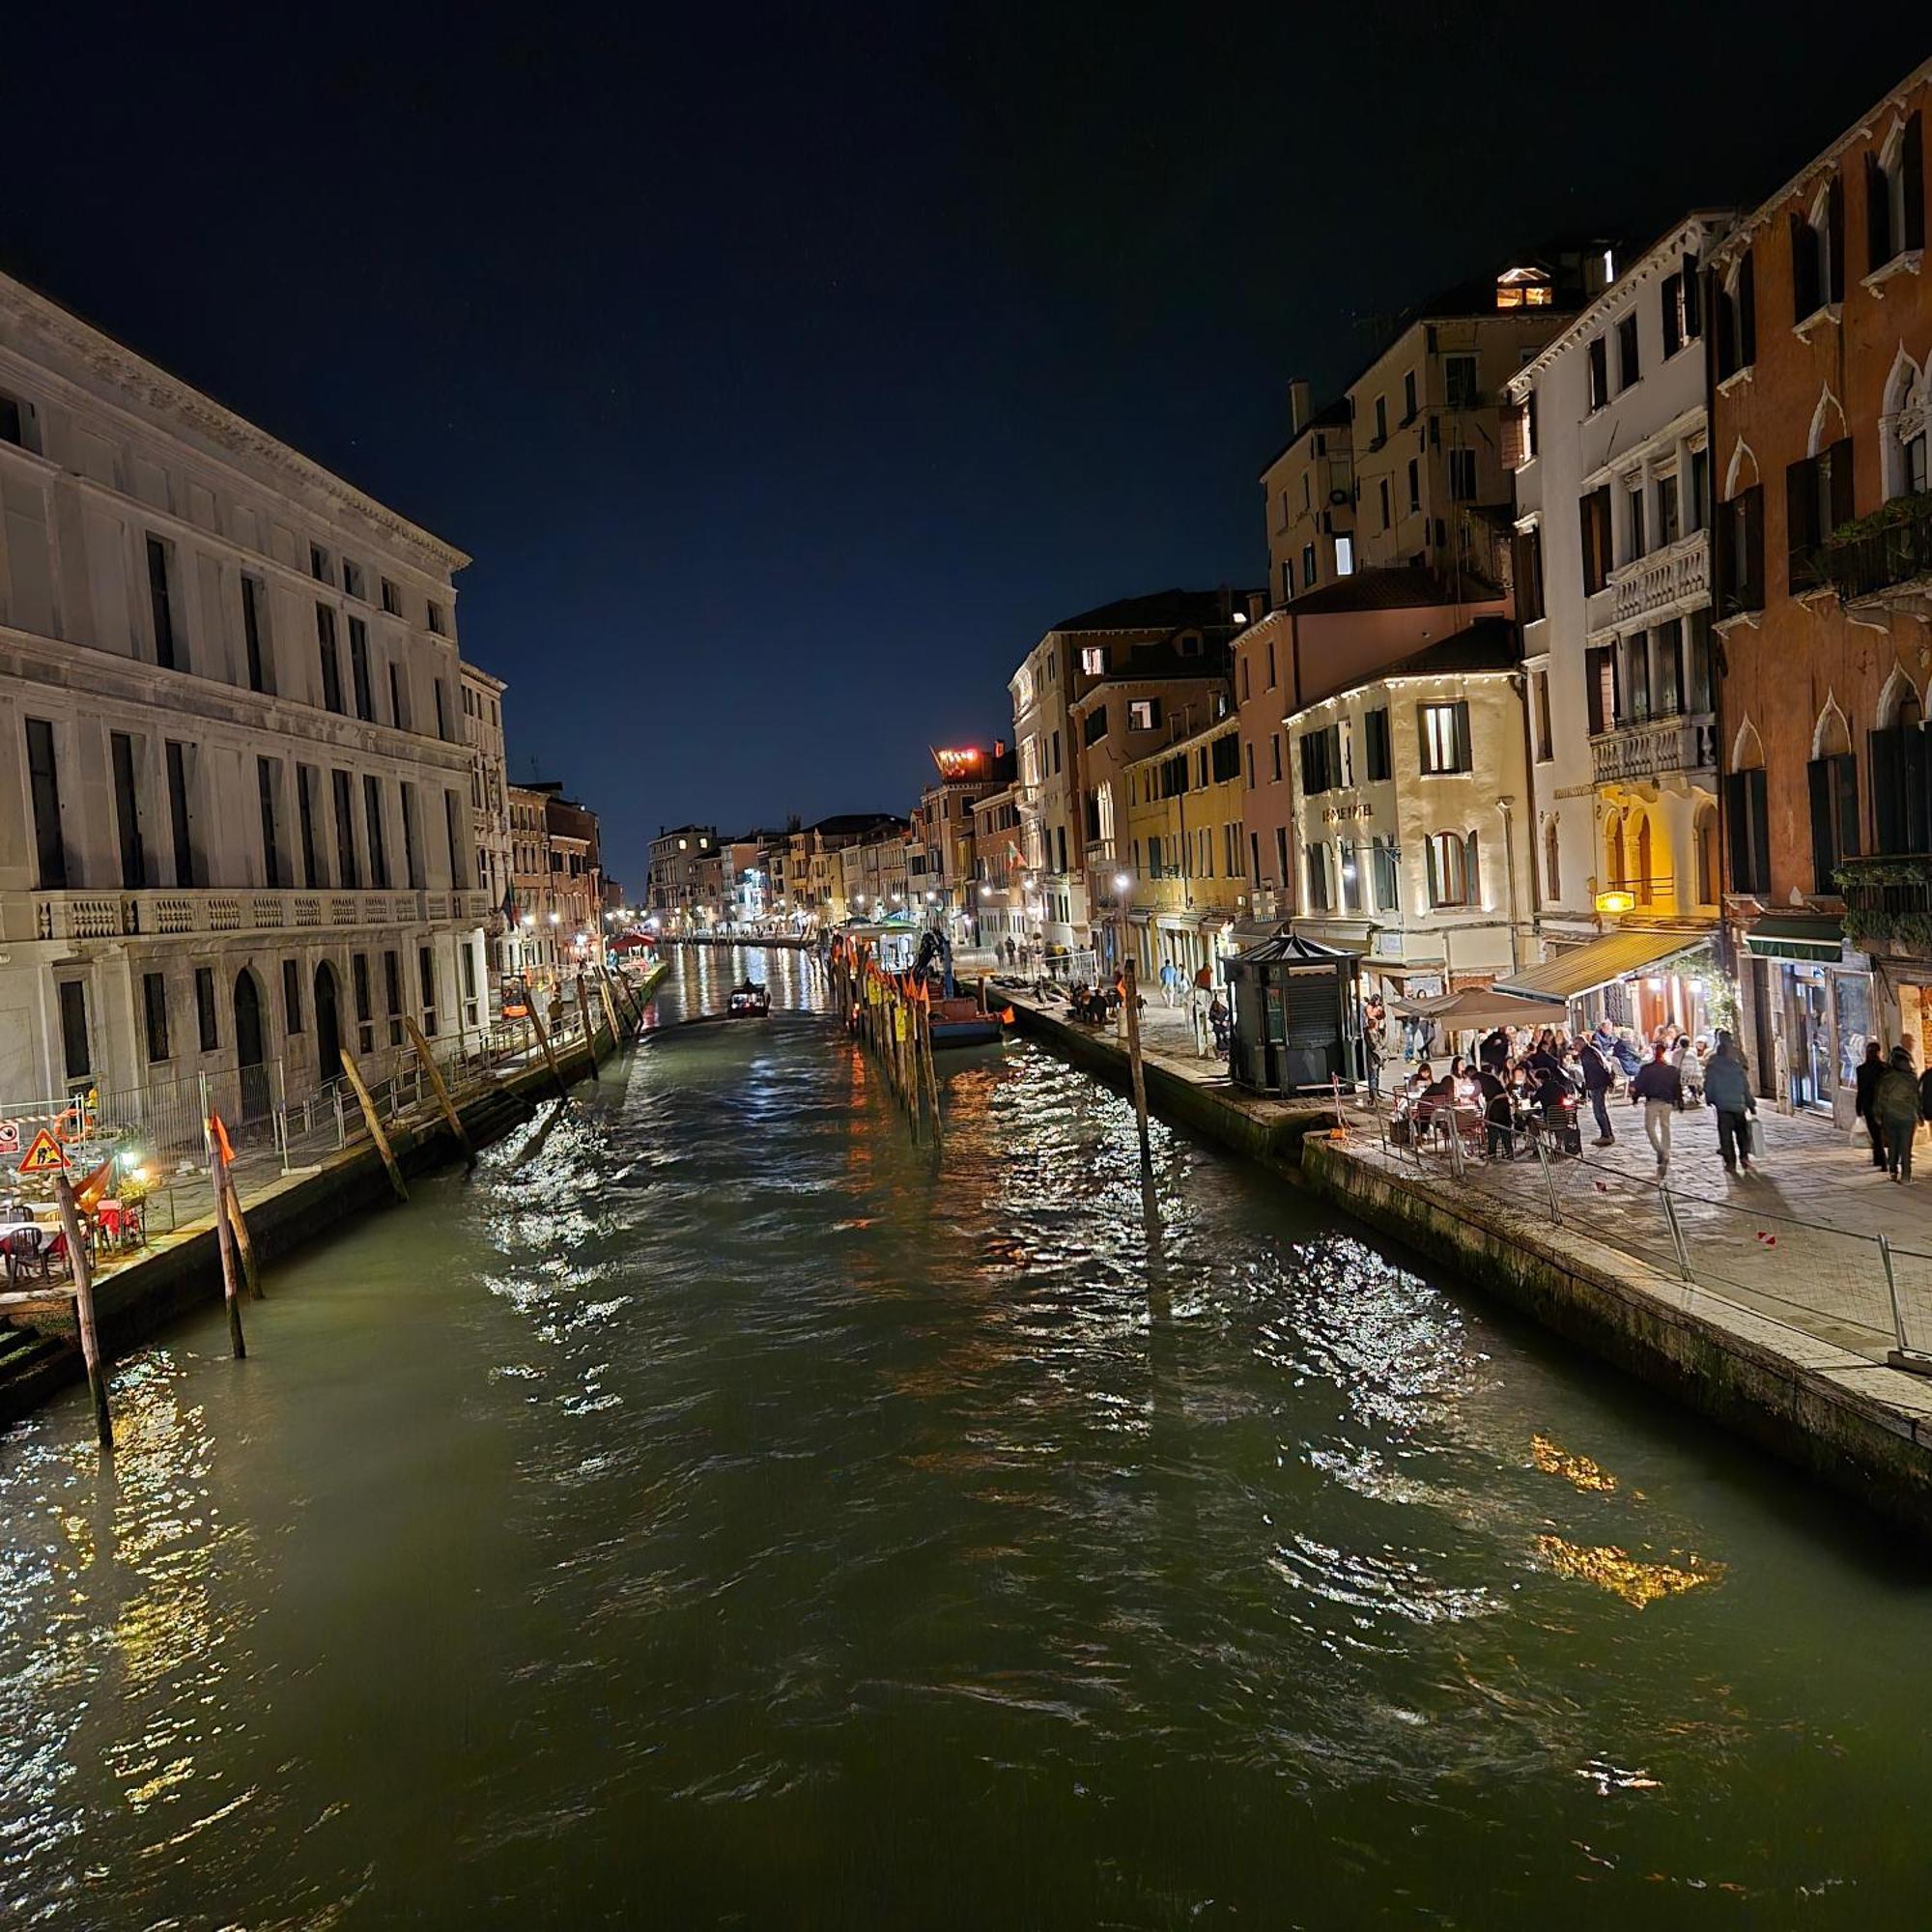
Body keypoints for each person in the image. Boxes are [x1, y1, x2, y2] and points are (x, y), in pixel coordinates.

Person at [1703, 1036, 1757, 1175]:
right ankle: (1744, 1156)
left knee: (1725, 1135)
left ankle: (1730, 1163)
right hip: (1739, 1105)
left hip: (1723, 1106)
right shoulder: (1736, 1067)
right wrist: (1751, 1104)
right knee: (1742, 1133)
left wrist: (1709, 1099)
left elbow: (1708, 1086)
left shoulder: (1713, 1067)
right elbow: (1745, 1087)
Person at [1630, 1041, 1683, 1178]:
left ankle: (1660, 1150)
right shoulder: (1672, 1070)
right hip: (1667, 1102)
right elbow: (1677, 1087)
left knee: (1650, 1127)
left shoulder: (1646, 1069)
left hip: (1653, 1101)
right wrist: (1679, 1102)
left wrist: (1635, 1098)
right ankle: (1665, 1151)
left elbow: (1639, 1085)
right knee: (1665, 1126)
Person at [1878, 1045, 1922, 1182]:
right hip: (1908, 1117)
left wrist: (1879, 1114)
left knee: (1893, 1144)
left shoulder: (1887, 1078)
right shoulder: (1912, 1079)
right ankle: (1906, 1176)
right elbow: (1916, 1099)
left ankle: (1892, 1170)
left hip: (1890, 1115)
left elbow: (1881, 1098)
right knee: (1906, 1147)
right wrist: (1920, 1115)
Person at [1856, 1038, 1889, 1171]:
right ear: (1879, 1053)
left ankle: (1881, 1160)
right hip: (1884, 1105)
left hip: (1869, 1105)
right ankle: (1880, 1160)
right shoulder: (1885, 1068)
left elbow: (1861, 1090)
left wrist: (1858, 1107)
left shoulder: (1861, 1070)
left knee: (1875, 1134)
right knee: (1882, 1133)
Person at [1578, 1030, 1615, 1146]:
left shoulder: (1587, 1054)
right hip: (1599, 1083)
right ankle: (1608, 1134)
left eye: (1575, 1045)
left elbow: (1594, 1070)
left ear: (1580, 1044)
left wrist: (1590, 1084)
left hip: (1597, 1084)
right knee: (1601, 1110)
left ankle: (1606, 1135)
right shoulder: (1591, 1051)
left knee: (1598, 1110)